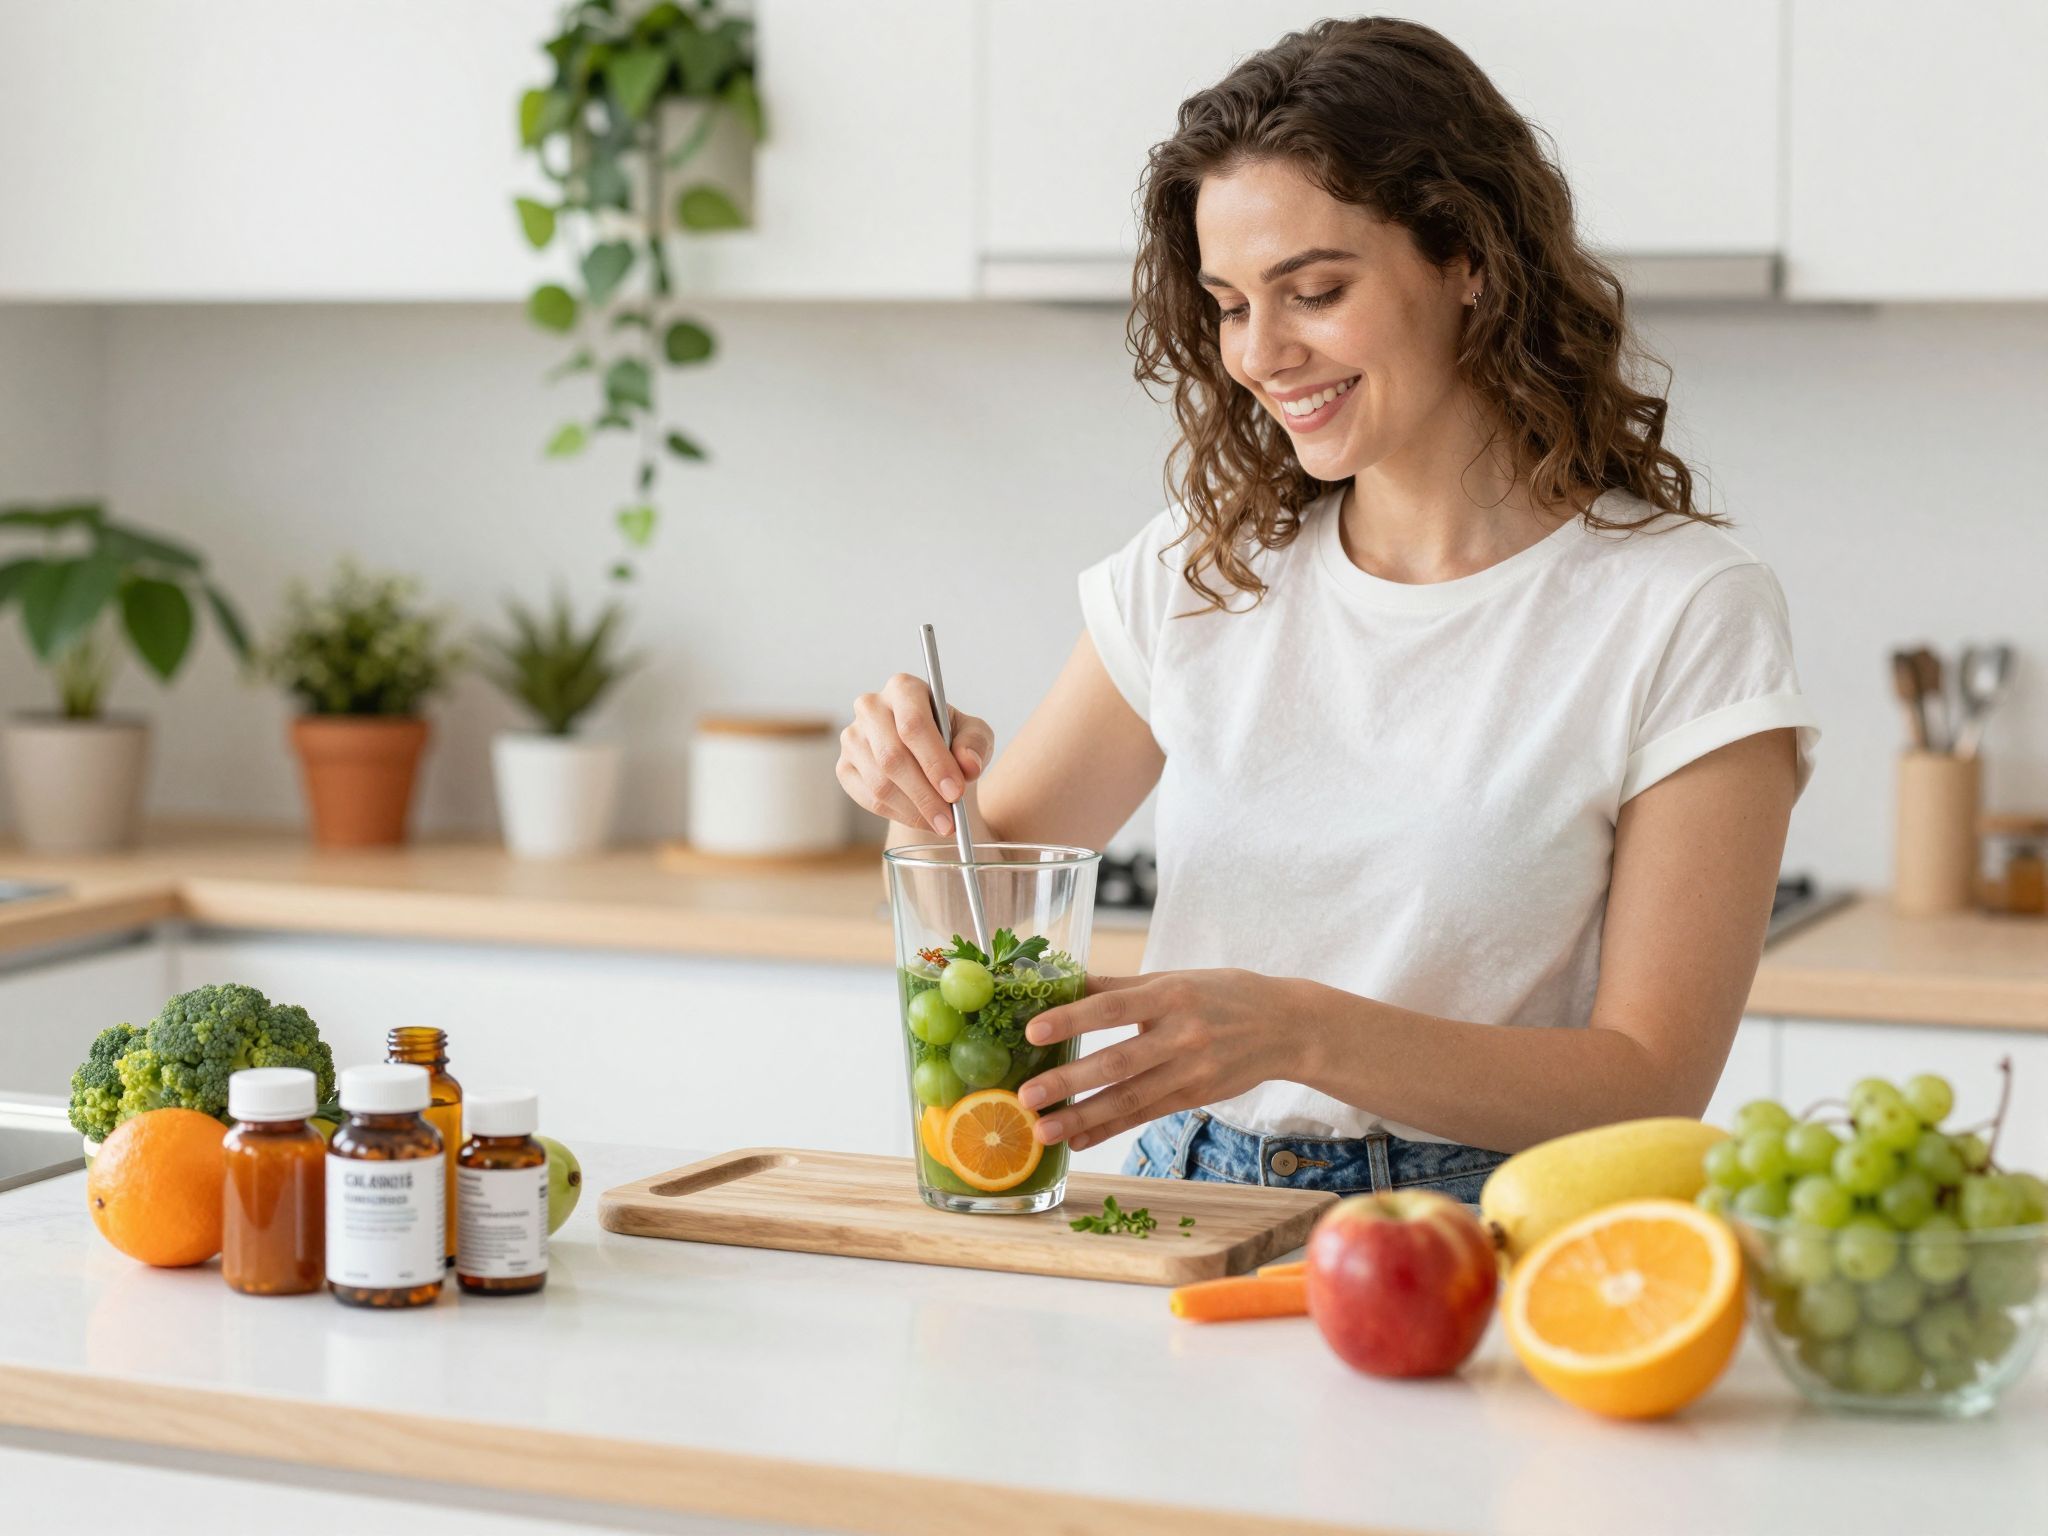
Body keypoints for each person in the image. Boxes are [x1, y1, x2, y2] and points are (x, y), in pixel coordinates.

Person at [835, 17, 1819, 1203]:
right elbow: (972, 901)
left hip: (1477, 1226)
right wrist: (914, 793)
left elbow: (1649, 1083)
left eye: (1312, 292)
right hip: (1183, 1201)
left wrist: (1296, 1031)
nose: (1260, 354)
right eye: (1228, 304)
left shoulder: (1682, 609)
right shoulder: (1200, 570)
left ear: (1466, 258)